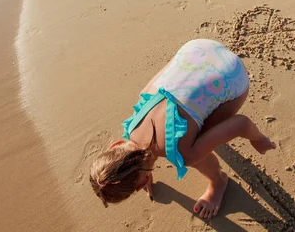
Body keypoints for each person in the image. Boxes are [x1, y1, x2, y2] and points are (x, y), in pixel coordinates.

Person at [89, 39, 276, 220]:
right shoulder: (134, 120)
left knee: (190, 153)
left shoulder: (182, 152)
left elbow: (241, 124)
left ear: (141, 185)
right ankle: (200, 126)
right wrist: (136, 167)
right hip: (198, 48)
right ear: (116, 144)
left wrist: (258, 139)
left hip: (234, 73)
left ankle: (218, 182)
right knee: (176, 108)